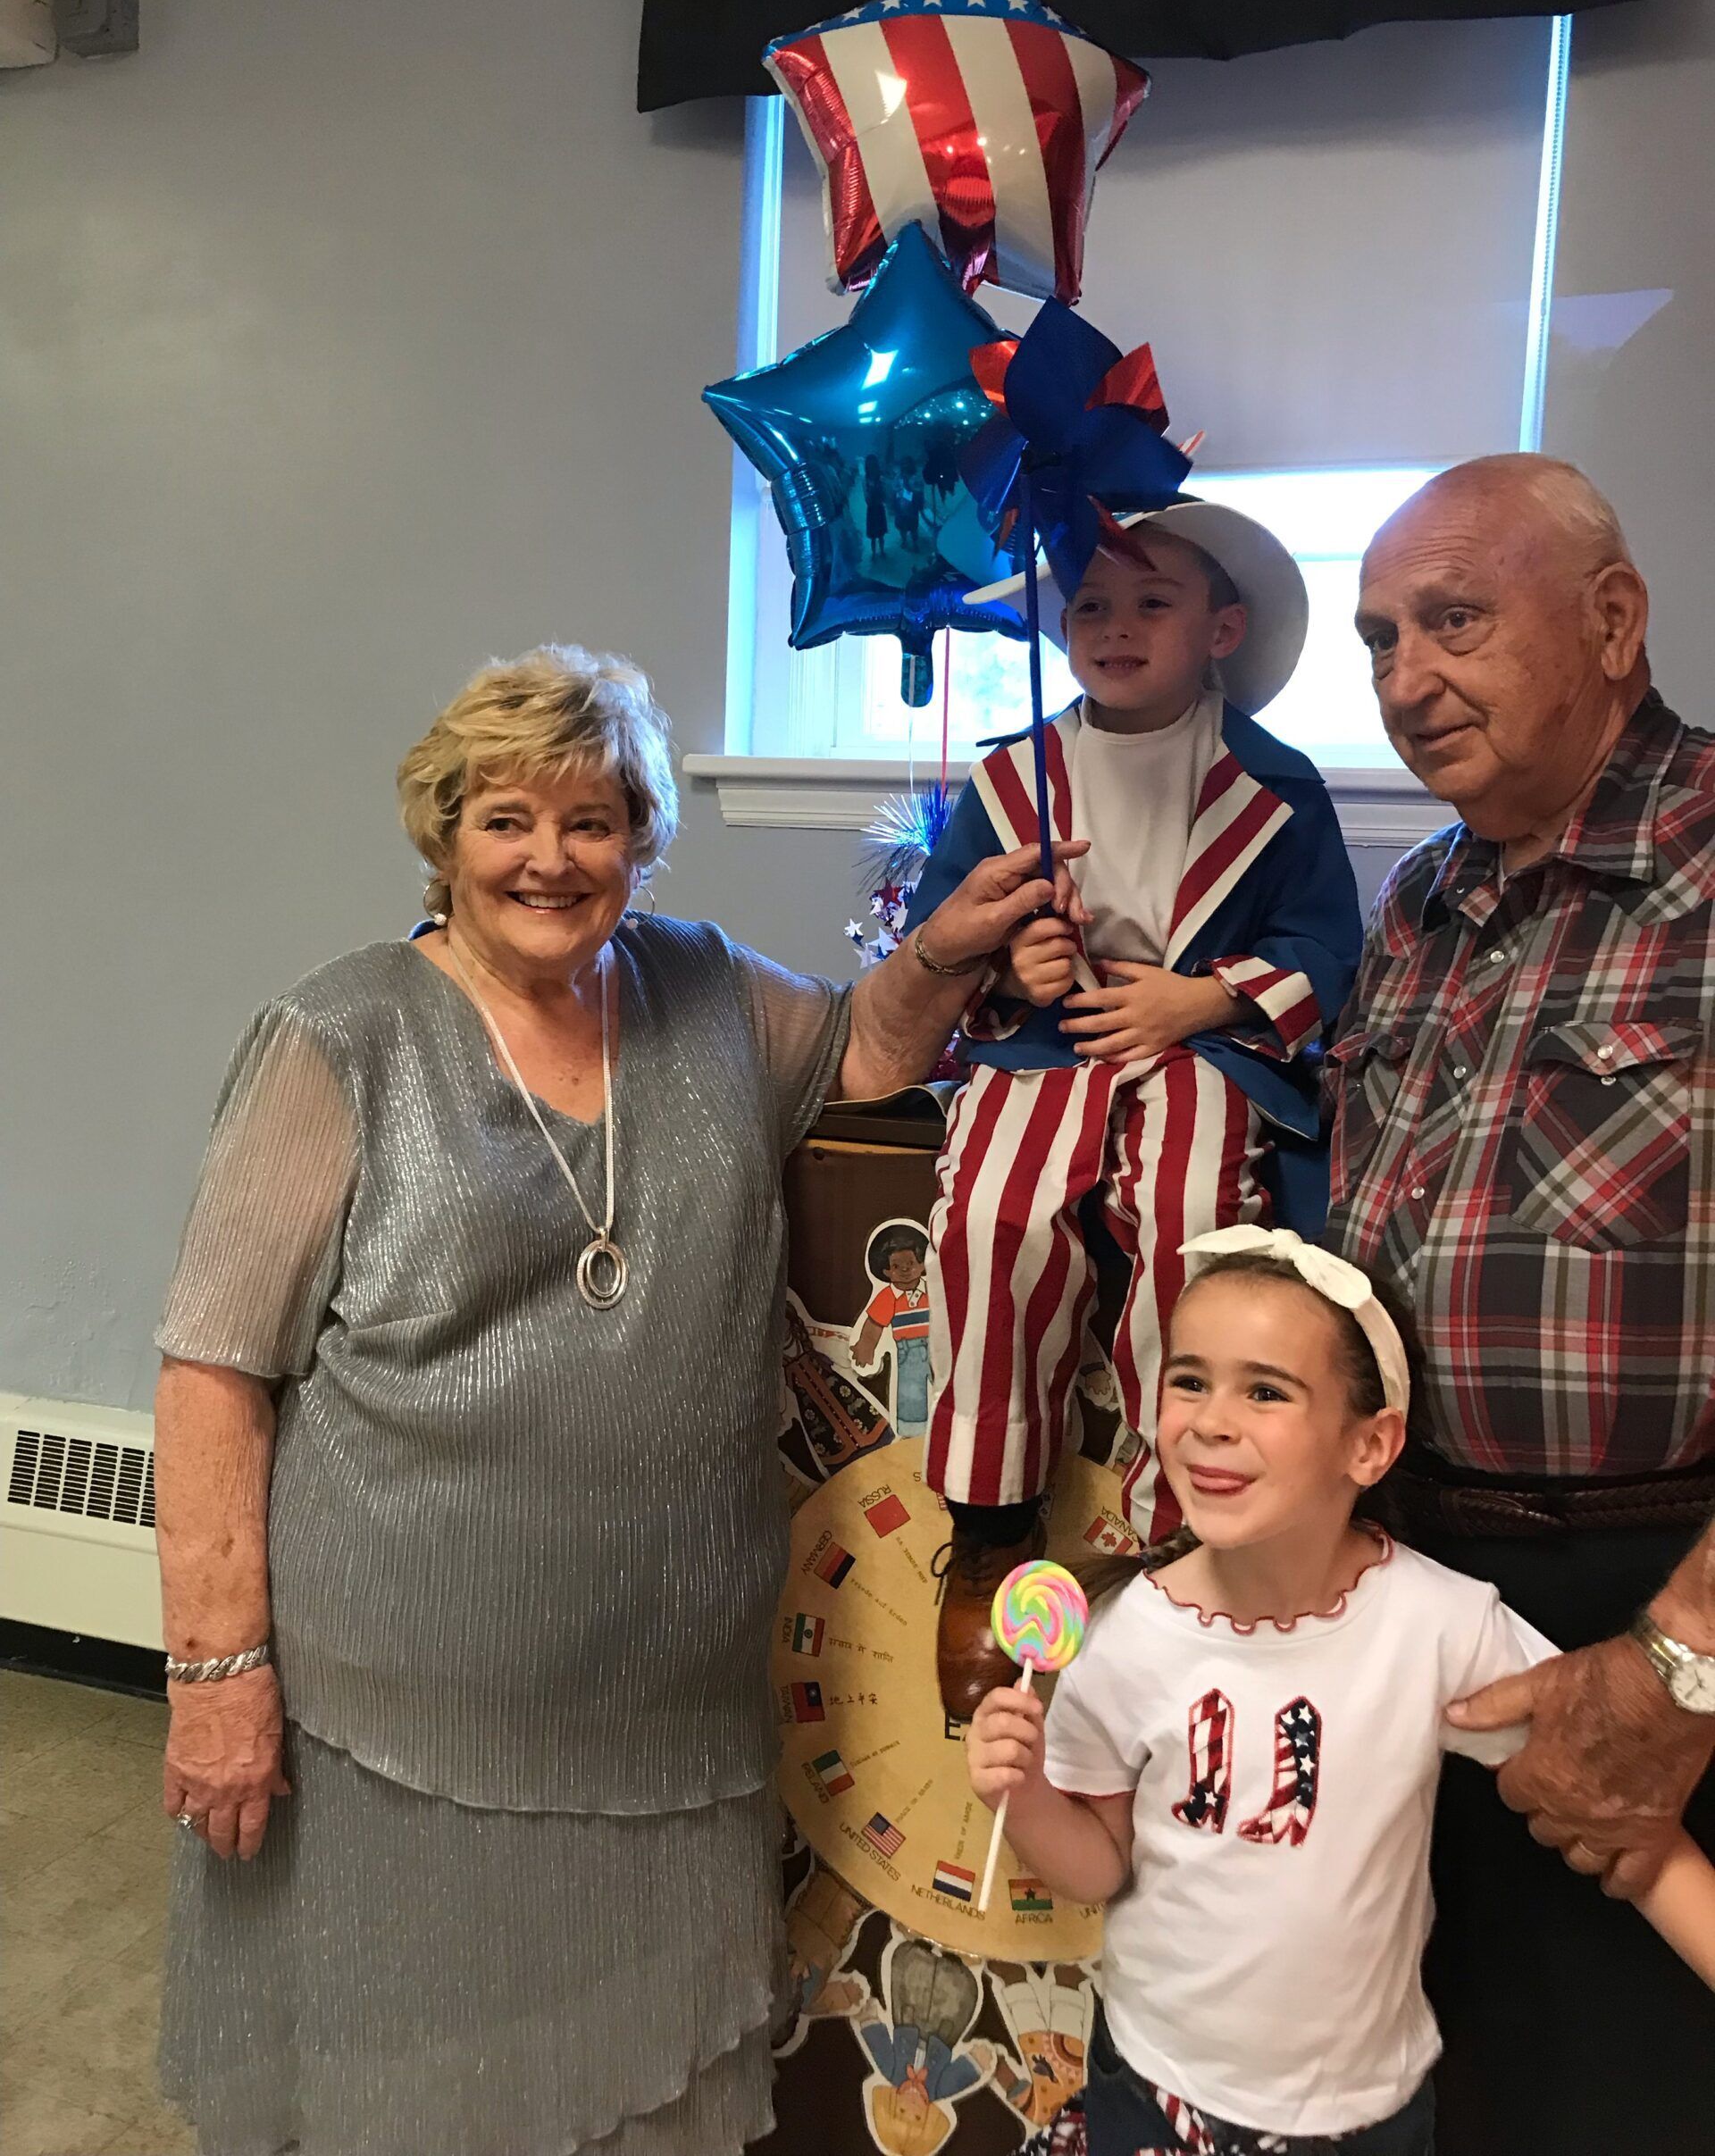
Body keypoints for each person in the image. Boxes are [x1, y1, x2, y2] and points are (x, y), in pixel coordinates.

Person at [151, 643, 1071, 2156]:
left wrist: (954, 941)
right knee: (411, 2090)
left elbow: (873, 1048)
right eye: (507, 818)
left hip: (667, 1723)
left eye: (595, 820)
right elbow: (211, 1372)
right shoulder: (338, 1038)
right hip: (396, 1726)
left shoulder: (704, 988)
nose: (551, 858)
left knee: (635, 2099)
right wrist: (217, 1677)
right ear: (442, 833)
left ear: (642, 840)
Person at [965, 1230, 1713, 2156]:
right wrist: (1025, 1794)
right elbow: (1099, 1869)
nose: (1209, 1419)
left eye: (1266, 1390)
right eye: (1189, 1379)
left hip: (1366, 2115)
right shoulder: (1121, 1638)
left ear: (1370, 1444)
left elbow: (1615, 1807)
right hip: (1159, 2092)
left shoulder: (1439, 1625)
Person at [1327, 454, 1715, 2149]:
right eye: (1381, 640)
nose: (1410, 679)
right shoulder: (1419, 905)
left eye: (1456, 622)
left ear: (1614, 623)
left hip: (1649, 1615)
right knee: (1426, 2086)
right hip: (1411, 1600)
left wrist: (1679, 1667)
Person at [904, 502, 1363, 1716]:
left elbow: (1326, 947)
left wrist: (1204, 1000)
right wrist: (1010, 968)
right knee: (991, 1212)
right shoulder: (1013, 779)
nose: (1114, 627)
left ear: (1221, 628)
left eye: (1151, 603)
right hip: (1051, 1048)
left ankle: (1181, 1530)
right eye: (1092, 605)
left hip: (1204, 1047)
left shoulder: (1272, 782)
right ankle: (992, 1526)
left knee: (1191, 1219)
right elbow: (943, 927)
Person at [850, 1223, 933, 1435]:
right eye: (897, 1266)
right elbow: (873, 1326)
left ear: (923, 1264)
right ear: (886, 1270)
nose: (905, 1270)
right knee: (911, 1394)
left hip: (938, 1347)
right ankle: (913, 1433)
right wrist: (866, 1347)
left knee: (949, 1387)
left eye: (911, 1263)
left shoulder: (932, 1289)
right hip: (909, 1352)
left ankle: (952, 1424)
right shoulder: (888, 1297)